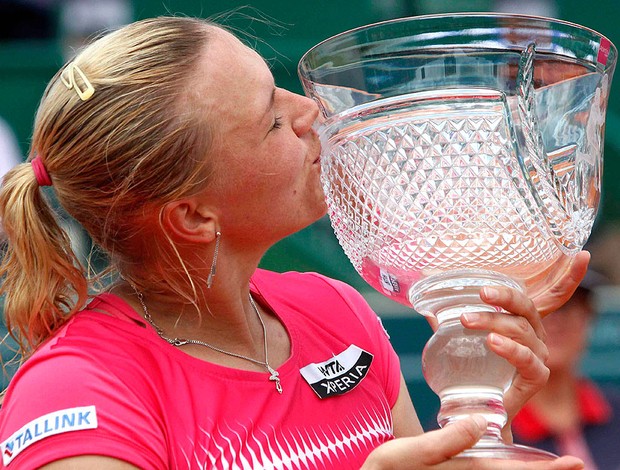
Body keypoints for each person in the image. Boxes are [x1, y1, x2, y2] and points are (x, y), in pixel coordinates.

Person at [0, 16, 589, 469]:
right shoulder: (76, 394)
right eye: (272, 120)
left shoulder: (336, 312)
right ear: (194, 215)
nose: (309, 110)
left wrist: (480, 429)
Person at [512, 270, 620, 469]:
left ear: (587, 318)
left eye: (566, 305)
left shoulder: (615, 410)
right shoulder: (481, 428)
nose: (554, 322)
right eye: (537, 307)